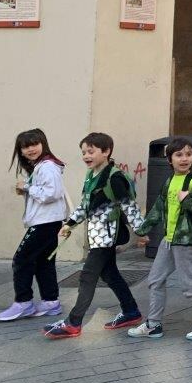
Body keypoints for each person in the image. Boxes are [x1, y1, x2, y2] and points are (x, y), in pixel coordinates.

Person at [43, 133, 146, 339]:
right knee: (110, 275)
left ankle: (73, 323)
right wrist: (70, 224)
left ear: (106, 151)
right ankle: (131, 311)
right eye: (83, 152)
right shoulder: (92, 175)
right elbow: (85, 205)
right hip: (96, 236)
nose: (86, 156)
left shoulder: (114, 177)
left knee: (87, 276)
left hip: (107, 237)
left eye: (90, 151)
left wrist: (142, 231)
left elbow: (129, 206)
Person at [130, 138, 192, 341]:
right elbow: (158, 208)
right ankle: (153, 324)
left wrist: (187, 200)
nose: (184, 159)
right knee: (155, 280)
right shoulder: (169, 181)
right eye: (179, 155)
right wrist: (143, 229)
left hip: (186, 242)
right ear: (170, 159)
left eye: (188, 154)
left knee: (188, 285)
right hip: (168, 240)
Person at [0, 128, 66, 322]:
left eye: (34, 144)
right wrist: (28, 189)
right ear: (20, 151)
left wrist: (27, 187)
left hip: (44, 222)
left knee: (21, 260)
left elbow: (52, 193)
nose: (30, 149)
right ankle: (51, 302)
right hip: (49, 221)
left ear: (43, 143)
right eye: (25, 147)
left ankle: (23, 302)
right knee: (44, 262)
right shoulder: (42, 166)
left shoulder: (47, 166)